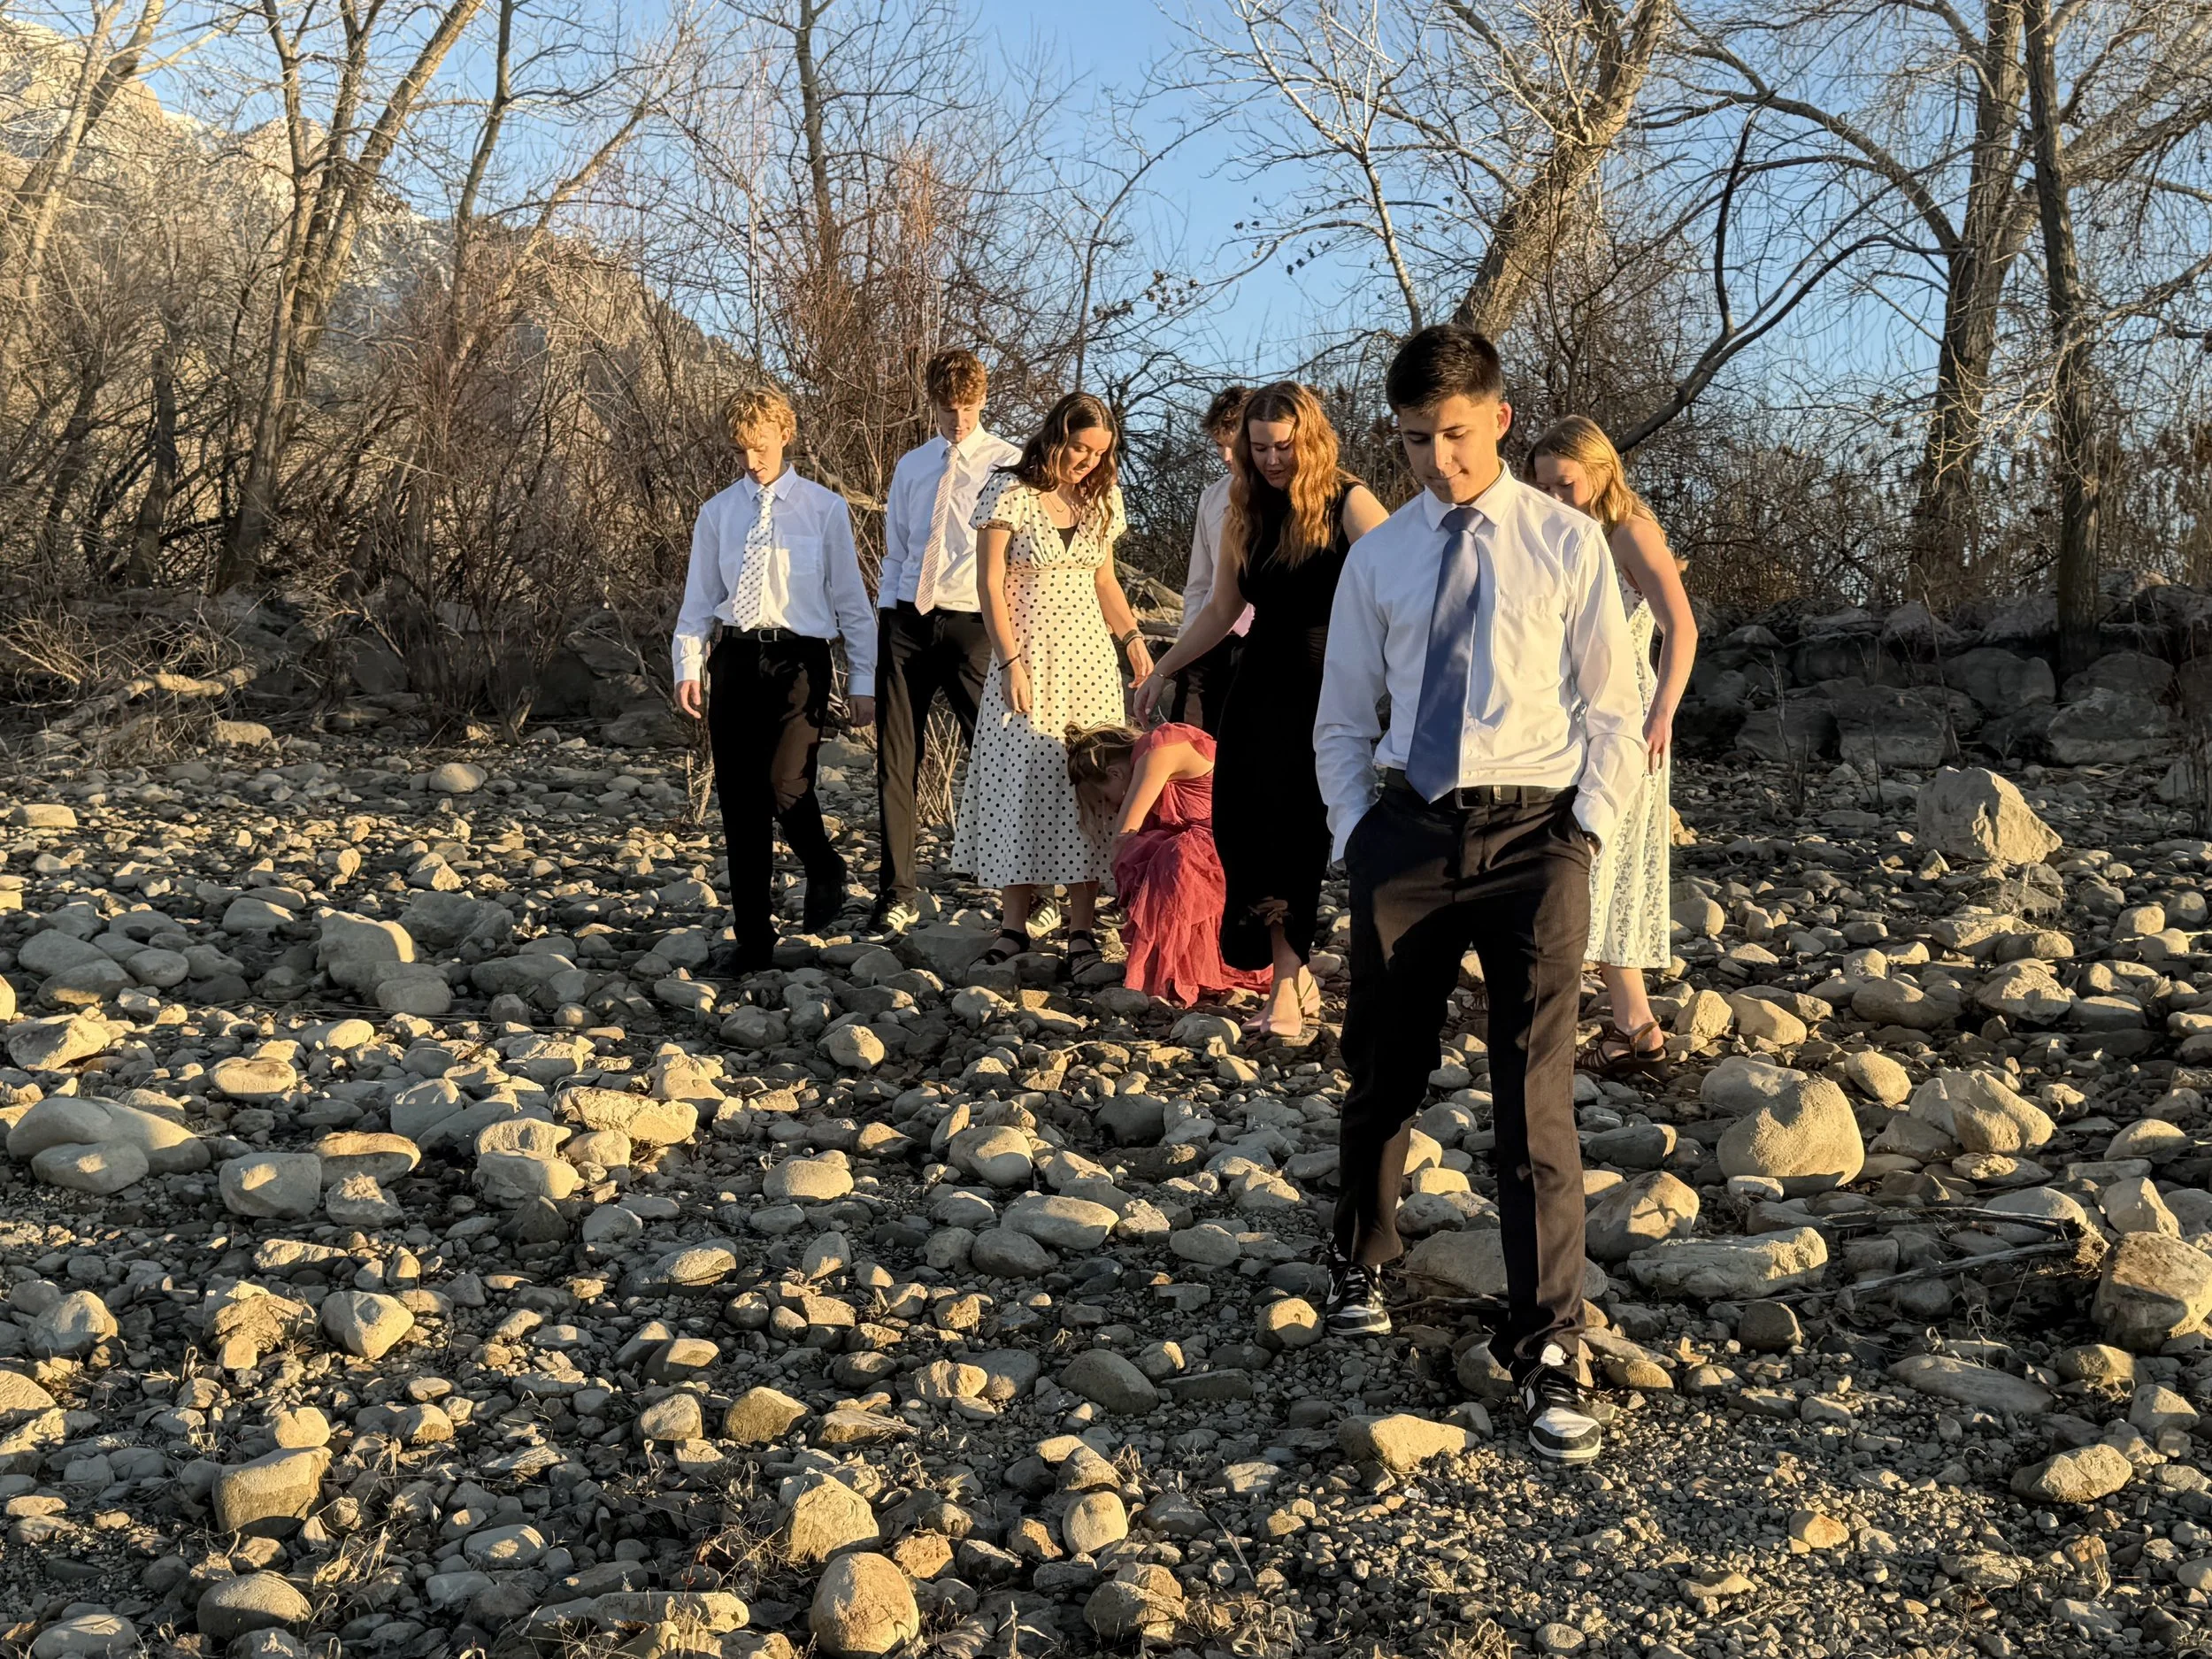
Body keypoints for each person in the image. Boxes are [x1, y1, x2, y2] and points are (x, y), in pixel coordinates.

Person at [1314, 326, 1643, 1466]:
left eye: (1455, 435)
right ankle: (1362, 1256)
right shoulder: (1380, 556)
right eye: (1414, 440)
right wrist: (1359, 831)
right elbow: (1343, 714)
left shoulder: (1564, 543)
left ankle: (1550, 1339)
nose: (1437, 461)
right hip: (1407, 830)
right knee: (1384, 1067)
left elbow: (1615, 704)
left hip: (1536, 840)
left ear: (1498, 420)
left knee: (1531, 1093)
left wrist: (1585, 831)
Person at [1138, 382, 1386, 1039]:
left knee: (1296, 834)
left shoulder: (1348, 500)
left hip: (1325, 687)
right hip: (1255, 686)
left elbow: (1403, 580)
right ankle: (1289, 970)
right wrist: (1162, 667)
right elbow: (1222, 608)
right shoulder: (1241, 507)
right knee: (1242, 829)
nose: (1273, 460)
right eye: (1260, 447)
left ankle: (1285, 982)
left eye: (1284, 446)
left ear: (1309, 440)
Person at [673, 386, 875, 974]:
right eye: (740, 450)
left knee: (786, 781)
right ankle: (753, 940)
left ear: (785, 434)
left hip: (800, 664)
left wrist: (863, 676)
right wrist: (687, 664)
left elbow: (851, 600)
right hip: (734, 660)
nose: (751, 461)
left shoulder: (823, 508)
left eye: (759, 447)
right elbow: (698, 602)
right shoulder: (717, 513)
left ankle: (824, 864)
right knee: (739, 803)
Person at [952, 392, 1153, 975]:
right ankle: (1014, 926)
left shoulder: (1101, 500)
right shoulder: (1009, 490)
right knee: (1022, 778)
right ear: (1056, 435)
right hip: (1028, 659)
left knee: (1089, 784)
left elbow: (1105, 579)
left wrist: (1134, 639)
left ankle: (1081, 929)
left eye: (1099, 452)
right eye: (1080, 447)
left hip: (1089, 662)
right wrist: (1010, 660)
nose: (1087, 460)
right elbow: (990, 584)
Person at [1529, 416, 1699, 1075]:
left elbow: (1680, 626)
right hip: (1571, 713)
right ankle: (1632, 1024)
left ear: (1600, 470)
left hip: (1624, 715)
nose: (1553, 498)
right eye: (1541, 486)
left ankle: (1631, 1025)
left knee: (1601, 862)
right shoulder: (1562, 532)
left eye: (1564, 484)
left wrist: (1663, 712)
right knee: (1582, 864)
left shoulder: (1629, 529)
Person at [871, 349, 1024, 936]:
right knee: (896, 758)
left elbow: (1018, 556)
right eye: (945, 408)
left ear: (983, 400)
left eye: (965, 408)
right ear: (932, 403)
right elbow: (898, 549)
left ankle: (1025, 887)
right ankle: (898, 891)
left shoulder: (1010, 463)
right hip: (909, 620)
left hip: (975, 624)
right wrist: (888, 617)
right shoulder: (913, 465)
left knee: (996, 754)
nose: (956, 420)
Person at [1066, 721, 1272, 1009]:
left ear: (1115, 772)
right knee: (1170, 848)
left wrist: (1122, 889)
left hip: (1237, 844)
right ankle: (1189, 966)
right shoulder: (1159, 749)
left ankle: (1174, 972)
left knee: (1175, 854)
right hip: (1233, 841)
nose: (1113, 804)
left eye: (1107, 796)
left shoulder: (1157, 750)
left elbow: (1124, 834)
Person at [1170, 386, 1253, 734]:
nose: (1226, 456)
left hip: (1261, 645)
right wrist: (1187, 650)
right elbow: (1199, 582)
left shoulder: (1295, 496)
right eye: (1219, 445)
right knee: (1187, 739)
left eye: (1233, 444)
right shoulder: (1212, 497)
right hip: (1209, 642)